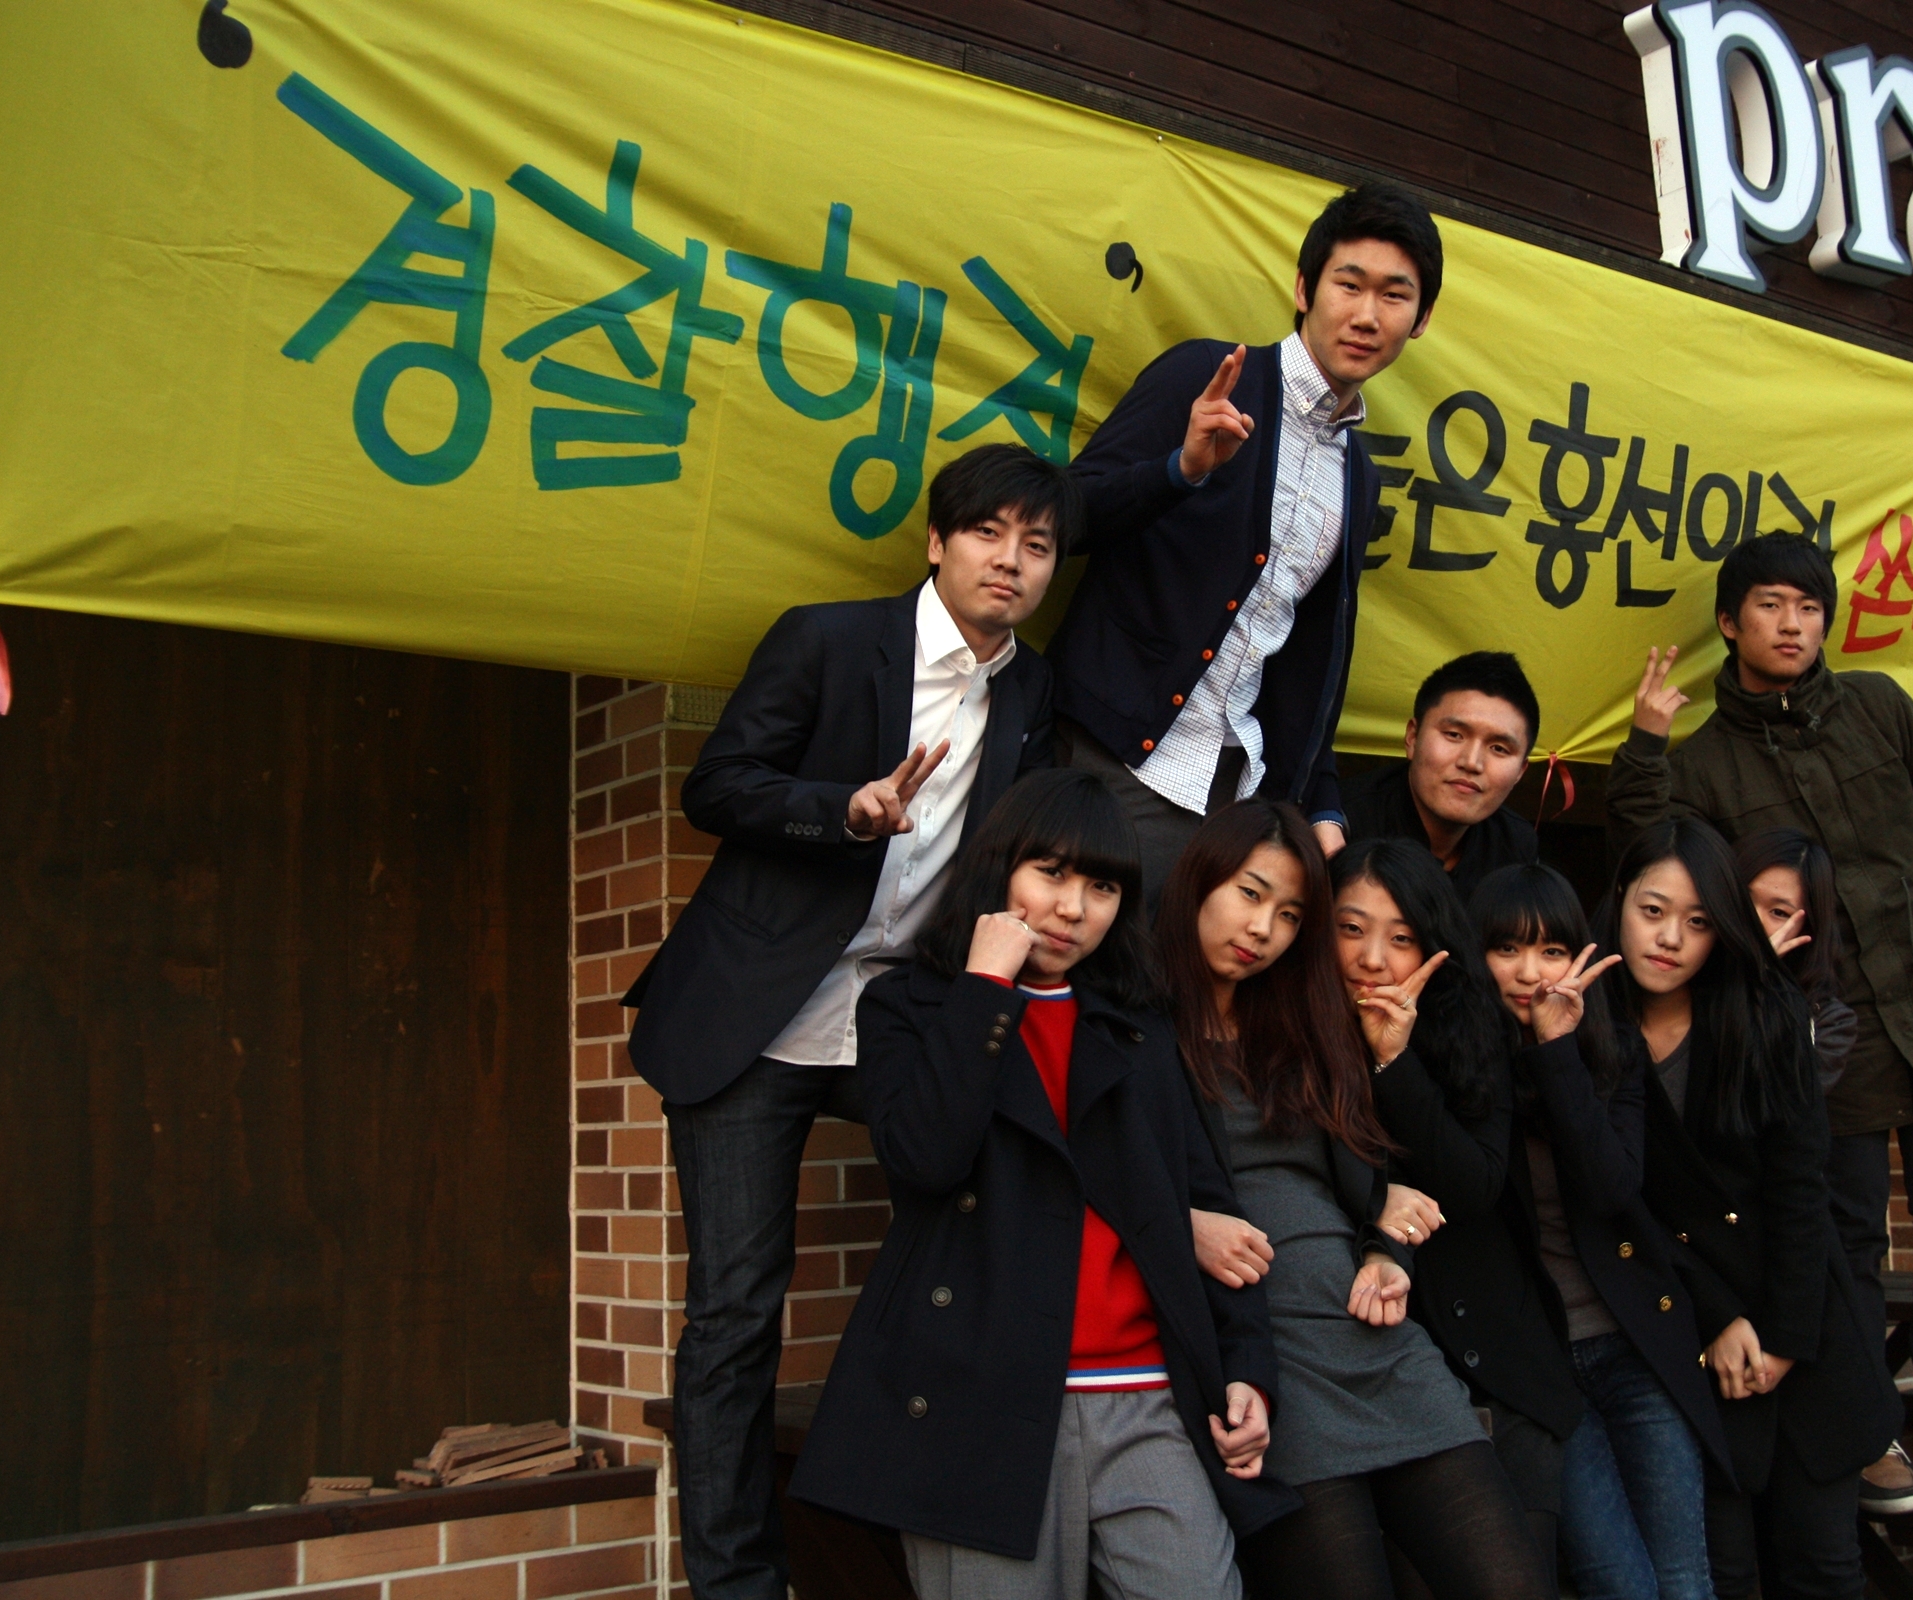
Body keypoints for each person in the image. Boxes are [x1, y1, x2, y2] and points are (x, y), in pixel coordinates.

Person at [619, 444, 1072, 1600]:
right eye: (988, 533)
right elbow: (717, 785)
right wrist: (847, 811)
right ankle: (737, 1584)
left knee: (1000, 1190)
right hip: (756, 1015)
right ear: (937, 541)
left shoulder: (1033, 691)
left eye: (1036, 545)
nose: (1011, 561)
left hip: (897, 1017)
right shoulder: (827, 640)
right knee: (734, 1314)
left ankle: (951, 1529)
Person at [789, 769, 1293, 1599]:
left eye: (1102, 888)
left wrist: (1248, 1372)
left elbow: (1213, 1207)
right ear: (1000, 868)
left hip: (1146, 1395)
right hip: (978, 1399)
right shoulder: (906, 1006)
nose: (1073, 908)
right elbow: (924, 1159)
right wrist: (985, 989)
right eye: (1051, 874)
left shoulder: (1138, 1025)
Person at [1606, 533, 1913, 1517]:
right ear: (1729, 622)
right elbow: (1654, 856)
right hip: (1823, 1030)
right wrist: (1647, 745)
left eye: (1808, 607)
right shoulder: (1708, 758)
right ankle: (1873, 1432)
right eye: (1770, 606)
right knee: (1848, 1236)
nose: (1792, 625)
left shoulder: (1879, 704)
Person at [1163, 804, 1551, 1600]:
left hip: (1371, 1329)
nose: (1263, 928)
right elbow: (1096, 1178)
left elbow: (1368, 1171)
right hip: (1263, 1351)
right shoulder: (1140, 1024)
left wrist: (1385, 1249)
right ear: (1199, 880)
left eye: (1289, 914)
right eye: (1250, 894)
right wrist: (1181, 1225)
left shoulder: (1303, 1022)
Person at [1053, 184, 1444, 891]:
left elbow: (1310, 657)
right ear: (1304, 288)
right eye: (1348, 284)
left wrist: (1320, 801)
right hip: (1110, 762)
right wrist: (1180, 471)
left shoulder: (1358, 474)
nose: (1366, 315)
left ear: (1420, 320)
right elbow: (1066, 517)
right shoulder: (1204, 377)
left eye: (1394, 296)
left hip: (1235, 801)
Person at [1594, 819, 1899, 1600]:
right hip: (1687, 1326)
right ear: (1619, 900)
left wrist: (1784, 1338)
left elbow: (1801, 1189)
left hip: (1799, 1314)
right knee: (1725, 1570)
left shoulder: (1764, 1015)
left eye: (1698, 922)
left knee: (1823, 1564)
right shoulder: (1589, 1027)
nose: (1670, 939)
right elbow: (1619, 1206)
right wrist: (1718, 1316)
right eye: (1652, 911)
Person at [1470, 863, 1727, 1600]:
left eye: (1551, 951)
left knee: (1685, 1581)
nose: (1530, 973)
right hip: (1542, 1366)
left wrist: (1558, 1053)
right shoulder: (1460, 1065)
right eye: (1507, 949)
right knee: (1620, 1583)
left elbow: (1613, 1187)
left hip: (1634, 1345)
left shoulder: (1609, 1052)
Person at [1327, 839, 1579, 1574]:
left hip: (1502, 1363)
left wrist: (1393, 1061)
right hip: (1378, 1370)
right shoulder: (1288, 1037)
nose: (1373, 958)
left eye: (1402, 938)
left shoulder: (1469, 1026)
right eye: (1350, 929)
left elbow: (1473, 1188)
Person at [1342, 653, 1543, 904]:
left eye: (1499, 748)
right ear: (1412, 738)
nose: (1472, 762)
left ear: (1521, 771)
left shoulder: (1514, 845)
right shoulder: (1344, 823)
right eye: (1454, 735)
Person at [1733, 830, 1859, 1096]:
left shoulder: (1828, 1023)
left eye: (1779, 912)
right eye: (1744, 898)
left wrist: (1752, 979)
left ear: (1806, 928)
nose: (1754, 920)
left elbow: (1778, 1103)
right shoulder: (1675, 979)